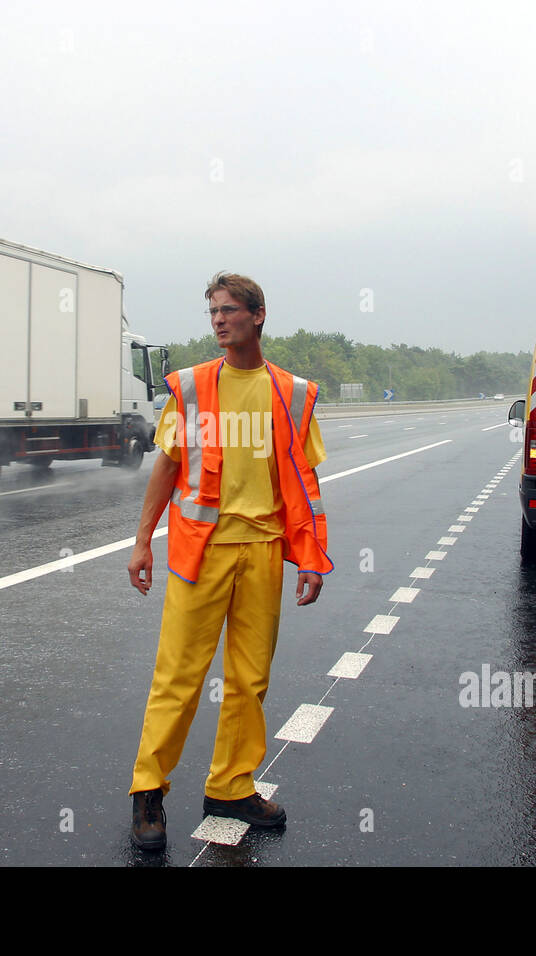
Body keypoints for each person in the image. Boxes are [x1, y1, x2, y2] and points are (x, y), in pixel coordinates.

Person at [126, 272, 332, 851]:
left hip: (264, 551)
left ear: (258, 315)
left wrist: (311, 557)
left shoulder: (291, 393)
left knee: (250, 680)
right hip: (202, 552)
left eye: (229, 310)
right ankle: (148, 791)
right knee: (179, 677)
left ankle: (231, 785)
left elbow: (305, 483)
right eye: (212, 311)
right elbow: (166, 466)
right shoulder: (191, 388)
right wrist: (143, 540)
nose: (218, 320)